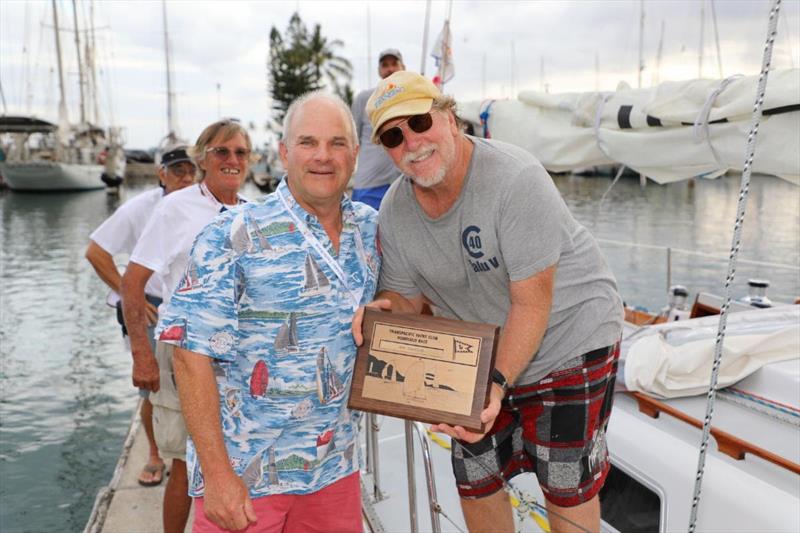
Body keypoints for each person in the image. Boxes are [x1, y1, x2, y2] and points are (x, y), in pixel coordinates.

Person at [355, 71, 624, 533]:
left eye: (420, 122)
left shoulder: (514, 179)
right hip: (480, 352)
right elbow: (406, 299)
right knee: (475, 479)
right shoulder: (396, 212)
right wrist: (384, 314)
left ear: (449, 115)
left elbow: (532, 305)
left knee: (564, 484)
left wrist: (494, 385)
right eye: (394, 136)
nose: (412, 142)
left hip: (568, 338)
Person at [156, 91, 379, 533]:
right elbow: (189, 353)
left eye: (337, 143)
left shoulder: (368, 229)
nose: (323, 156)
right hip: (245, 474)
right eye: (308, 142)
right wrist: (218, 476)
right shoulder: (231, 233)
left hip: (334, 468)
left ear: (355, 154)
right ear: (283, 153)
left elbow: (403, 301)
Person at [120, 119, 251, 533]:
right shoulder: (174, 208)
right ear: (202, 158)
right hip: (183, 353)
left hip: (238, 354)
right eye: (222, 152)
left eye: (240, 153)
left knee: (235, 458)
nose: (232, 160)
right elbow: (133, 283)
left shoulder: (252, 213)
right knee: (182, 463)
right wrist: (143, 356)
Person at [85, 145, 196, 488]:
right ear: (161, 173)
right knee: (152, 386)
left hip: (189, 307)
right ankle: (153, 453)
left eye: (192, 170)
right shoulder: (140, 209)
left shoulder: (202, 205)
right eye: (178, 171)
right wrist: (126, 291)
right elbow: (96, 252)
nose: (187, 177)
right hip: (149, 304)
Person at [349, 48, 405, 209]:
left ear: (403, 67)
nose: (390, 69)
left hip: (404, 184)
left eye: (394, 64)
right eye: (385, 65)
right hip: (369, 185)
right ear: (379, 71)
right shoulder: (364, 99)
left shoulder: (412, 99)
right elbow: (351, 140)